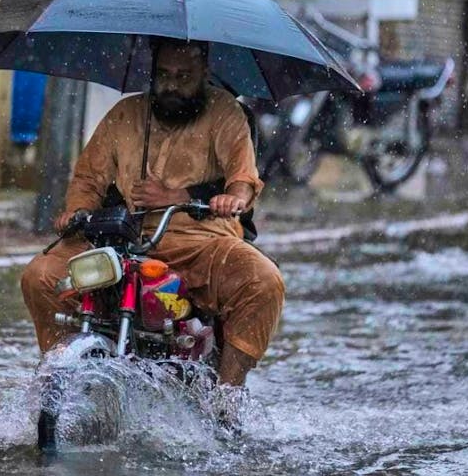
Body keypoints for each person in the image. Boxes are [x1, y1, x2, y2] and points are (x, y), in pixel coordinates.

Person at [20, 38, 285, 386]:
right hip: (122, 241)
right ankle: (61, 381)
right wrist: (77, 212)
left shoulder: (225, 112)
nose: (172, 84)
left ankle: (228, 394)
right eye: (163, 75)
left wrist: (226, 198)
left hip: (201, 241)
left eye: (183, 76)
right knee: (39, 275)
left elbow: (243, 180)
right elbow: (88, 178)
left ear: (205, 72)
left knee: (263, 281)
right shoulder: (124, 114)